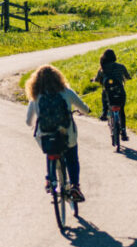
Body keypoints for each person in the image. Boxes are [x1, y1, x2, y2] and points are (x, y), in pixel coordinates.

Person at [25, 65, 90, 202]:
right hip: (67, 135)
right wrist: (87, 110)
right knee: (72, 158)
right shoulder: (66, 91)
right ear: (58, 77)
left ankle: (50, 179)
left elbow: (28, 121)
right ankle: (75, 187)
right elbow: (83, 108)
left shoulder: (36, 97)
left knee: (50, 149)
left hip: (46, 136)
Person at [94, 49, 132, 141]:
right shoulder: (121, 67)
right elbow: (128, 77)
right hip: (120, 93)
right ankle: (123, 131)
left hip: (109, 94)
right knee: (121, 111)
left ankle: (104, 112)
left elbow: (97, 79)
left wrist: (94, 80)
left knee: (104, 94)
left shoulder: (102, 69)